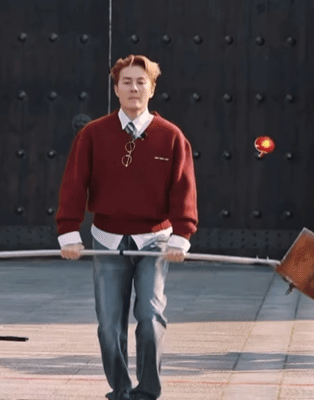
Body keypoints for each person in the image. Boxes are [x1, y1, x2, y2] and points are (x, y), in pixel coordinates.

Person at [56, 54, 198, 400]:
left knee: (150, 317)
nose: (134, 88)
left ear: (152, 88)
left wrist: (182, 235)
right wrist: (68, 232)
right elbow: (74, 185)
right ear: (116, 88)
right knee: (109, 324)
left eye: (141, 82)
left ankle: (147, 392)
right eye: (126, 82)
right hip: (106, 240)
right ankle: (120, 391)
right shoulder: (93, 135)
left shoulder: (171, 136)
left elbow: (183, 188)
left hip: (155, 241)